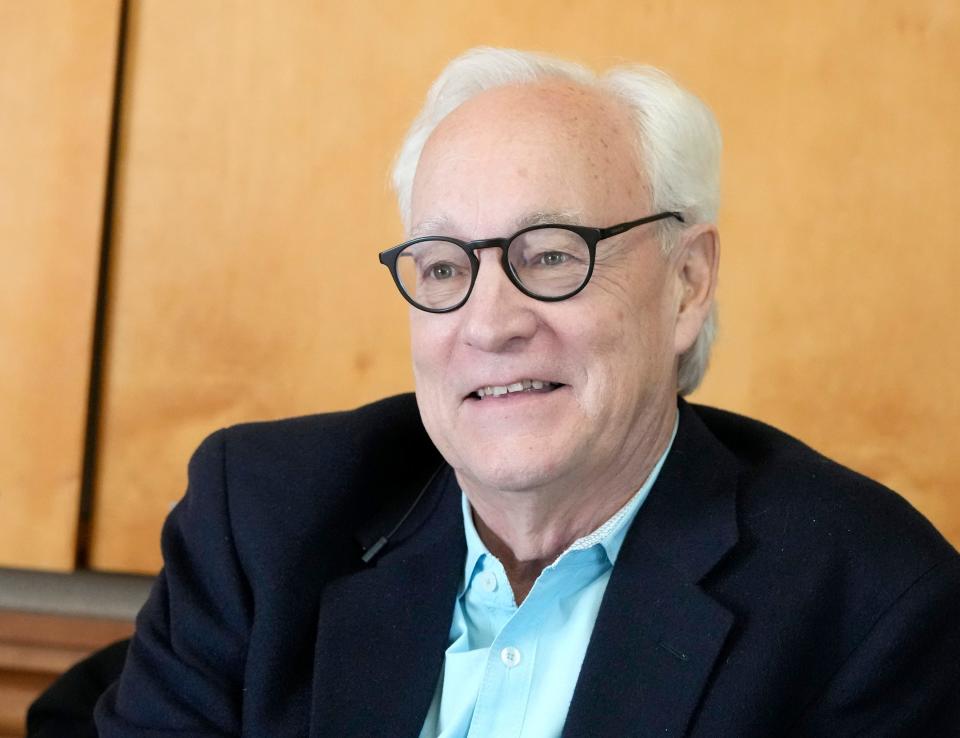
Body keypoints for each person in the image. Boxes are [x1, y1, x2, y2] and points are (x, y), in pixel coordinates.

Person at [92, 47, 960, 737]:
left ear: (687, 284)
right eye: (443, 266)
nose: (489, 321)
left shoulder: (872, 604)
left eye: (550, 254)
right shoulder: (264, 519)